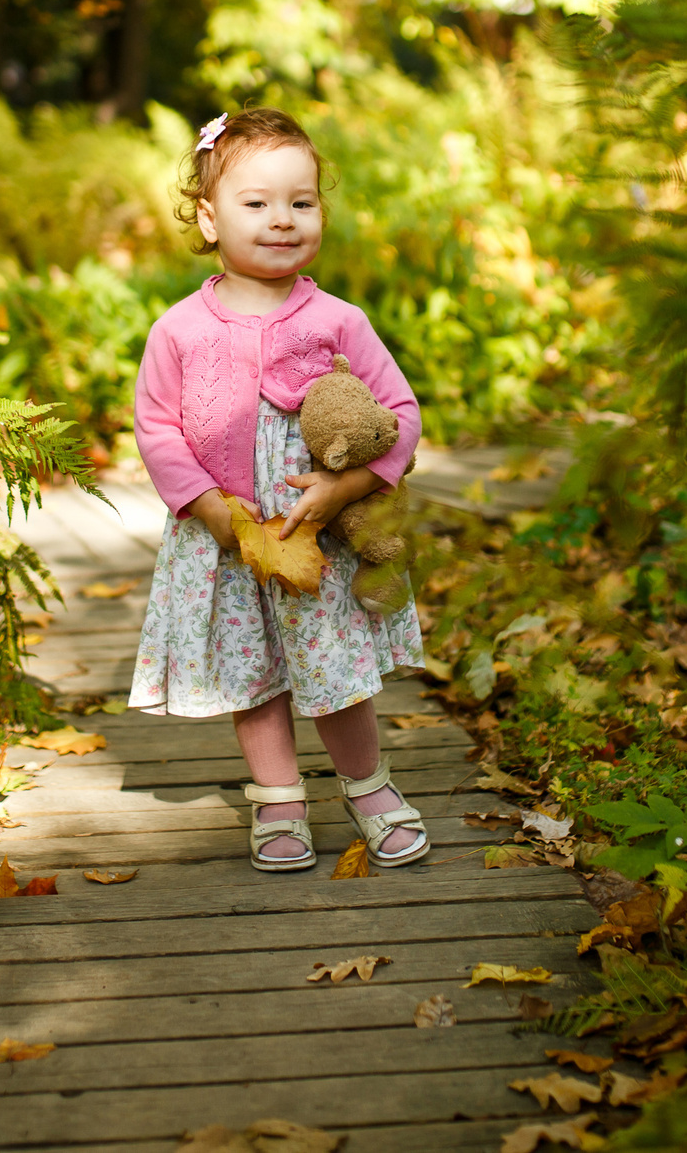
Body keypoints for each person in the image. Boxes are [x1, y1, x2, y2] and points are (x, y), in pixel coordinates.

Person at [128, 108, 430, 870]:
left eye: (302, 201)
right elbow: (157, 429)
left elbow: (401, 415)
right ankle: (279, 800)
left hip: (317, 538)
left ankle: (369, 786)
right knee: (252, 672)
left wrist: (343, 486)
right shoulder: (179, 330)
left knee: (333, 665)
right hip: (224, 540)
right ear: (208, 215)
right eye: (256, 203)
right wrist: (208, 510)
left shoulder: (337, 321)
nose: (282, 220)